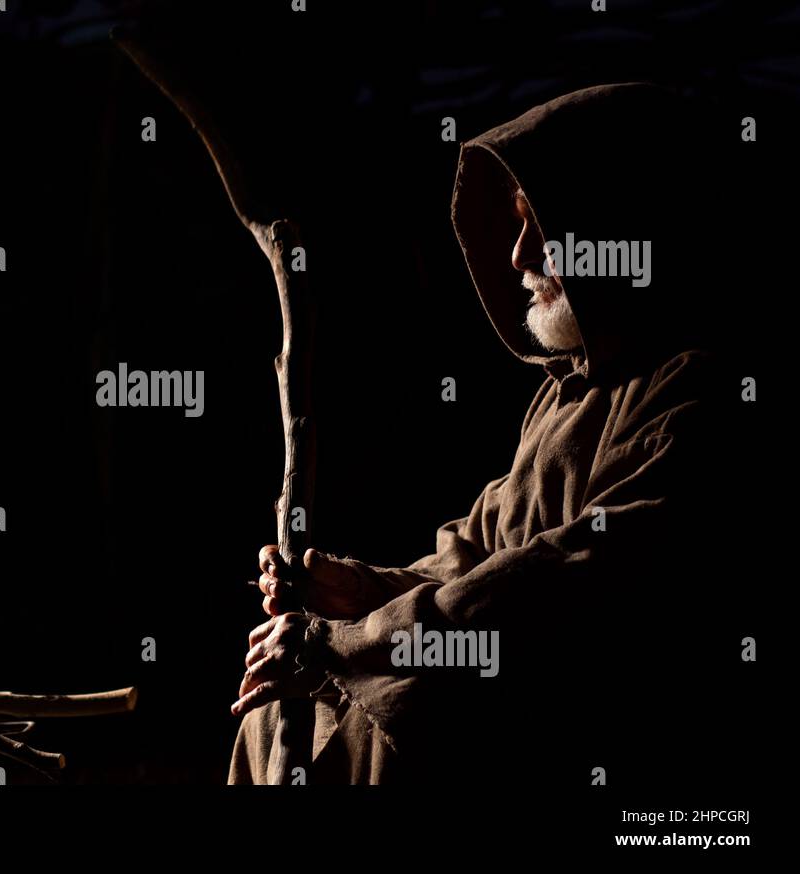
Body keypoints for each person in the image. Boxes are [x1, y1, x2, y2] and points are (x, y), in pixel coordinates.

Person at [228, 83, 736, 786]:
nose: (520, 254)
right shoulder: (565, 395)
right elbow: (479, 549)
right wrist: (367, 589)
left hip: (586, 732)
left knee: (400, 717)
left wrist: (344, 641)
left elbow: (555, 588)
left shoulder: (696, 393)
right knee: (275, 715)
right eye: (518, 223)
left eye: (547, 224)